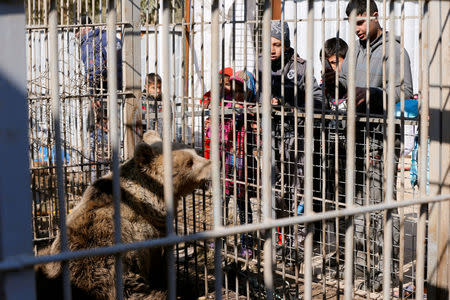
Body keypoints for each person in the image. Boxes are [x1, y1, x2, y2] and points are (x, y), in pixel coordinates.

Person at [324, 0, 414, 291]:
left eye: (361, 22)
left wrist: (372, 93)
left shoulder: (394, 50)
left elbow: (406, 93)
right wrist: (334, 83)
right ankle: (363, 263)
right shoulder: (356, 52)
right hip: (356, 139)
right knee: (359, 202)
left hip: (382, 139)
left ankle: (386, 270)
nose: (357, 29)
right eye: (353, 24)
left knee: (380, 205)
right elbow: (347, 83)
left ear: (376, 17)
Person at [258, 20, 323, 264]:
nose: (272, 49)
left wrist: (289, 106)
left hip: (298, 138)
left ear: (286, 45)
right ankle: (277, 246)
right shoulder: (261, 64)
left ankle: (299, 249)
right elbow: (257, 96)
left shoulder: (301, 67)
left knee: (300, 194)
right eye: (269, 44)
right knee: (276, 194)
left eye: (277, 44)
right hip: (272, 140)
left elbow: (318, 101)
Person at [77, 15, 123, 163]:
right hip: (117, 89)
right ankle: (115, 166)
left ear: (85, 28)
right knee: (113, 130)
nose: (75, 35)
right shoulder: (109, 37)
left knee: (98, 132)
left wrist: (93, 95)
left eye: (76, 30)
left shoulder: (90, 41)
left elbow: (94, 70)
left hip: (101, 90)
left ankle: (98, 170)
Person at [202, 68, 234, 159]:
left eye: (227, 84)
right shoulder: (213, 93)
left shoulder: (232, 96)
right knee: (209, 148)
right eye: (221, 84)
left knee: (224, 153)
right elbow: (204, 99)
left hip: (226, 129)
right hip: (212, 127)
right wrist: (206, 102)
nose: (223, 87)